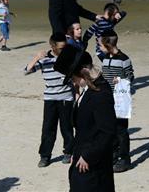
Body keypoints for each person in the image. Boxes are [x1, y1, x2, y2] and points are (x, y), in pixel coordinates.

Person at [53, 44, 116, 192]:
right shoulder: (88, 90)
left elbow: (108, 132)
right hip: (83, 155)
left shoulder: (101, 93)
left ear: (83, 72)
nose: (73, 82)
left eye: (73, 77)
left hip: (94, 163)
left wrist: (88, 156)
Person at [25, 32, 74, 167]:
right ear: (52, 46)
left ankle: (68, 152)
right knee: (48, 128)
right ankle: (45, 156)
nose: (63, 50)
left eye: (65, 47)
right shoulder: (45, 60)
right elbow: (26, 71)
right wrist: (36, 57)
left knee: (67, 128)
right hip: (50, 98)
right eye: (60, 48)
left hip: (66, 97)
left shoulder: (69, 57)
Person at [98, 32, 135, 173]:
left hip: (120, 100)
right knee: (110, 129)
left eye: (100, 44)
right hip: (107, 98)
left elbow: (131, 76)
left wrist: (120, 80)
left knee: (121, 130)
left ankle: (124, 159)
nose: (99, 47)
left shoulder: (124, 59)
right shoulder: (105, 58)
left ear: (107, 44)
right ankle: (113, 155)